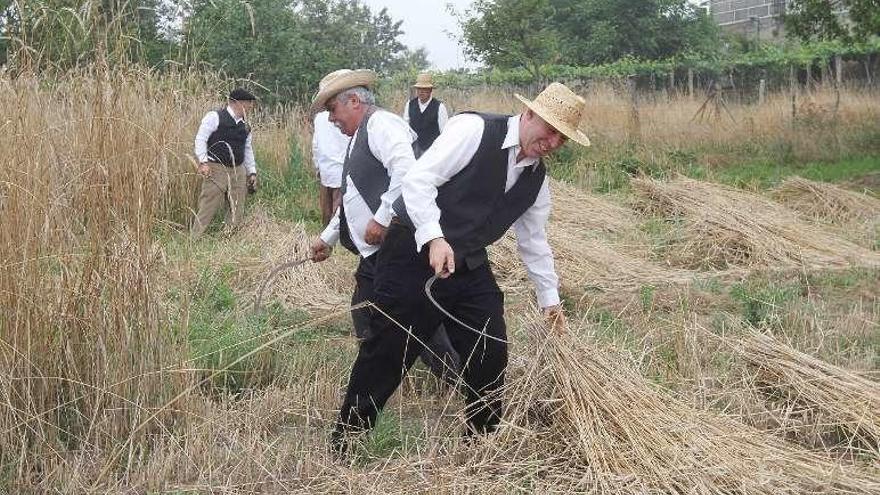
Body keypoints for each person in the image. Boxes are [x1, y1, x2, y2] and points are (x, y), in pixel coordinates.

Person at [331, 82, 590, 453]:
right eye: (549, 130)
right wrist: (434, 237)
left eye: (561, 138)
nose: (552, 142)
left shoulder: (536, 179)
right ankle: (348, 440)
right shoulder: (475, 130)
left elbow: (533, 241)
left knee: (491, 348)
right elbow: (418, 180)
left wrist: (550, 299)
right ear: (530, 114)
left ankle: (479, 444)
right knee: (389, 350)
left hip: (467, 261)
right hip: (411, 252)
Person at [191, 88, 258, 237]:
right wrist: (203, 162)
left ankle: (229, 237)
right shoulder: (214, 117)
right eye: (248, 103)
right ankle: (195, 238)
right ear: (237, 103)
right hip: (215, 167)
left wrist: (251, 171)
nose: (250, 107)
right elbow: (200, 139)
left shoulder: (245, 126)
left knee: (237, 205)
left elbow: (247, 149)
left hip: (238, 169)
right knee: (208, 204)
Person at [312, 109, 350, 226]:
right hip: (341, 167)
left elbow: (315, 145)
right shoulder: (345, 114)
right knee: (338, 209)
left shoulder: (319, 118)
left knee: (326, 208)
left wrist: (317, 165)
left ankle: (326, 237)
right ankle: (331, 239)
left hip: (325, 168)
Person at [402, 73, 449, 158]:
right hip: (413, 148)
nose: (421, 92)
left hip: (431, 150)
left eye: (424, 89)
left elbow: (444, 132)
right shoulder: (410, 104)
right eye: (419, 89)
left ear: (430, 90)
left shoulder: (439, 107)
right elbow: (405, 126)